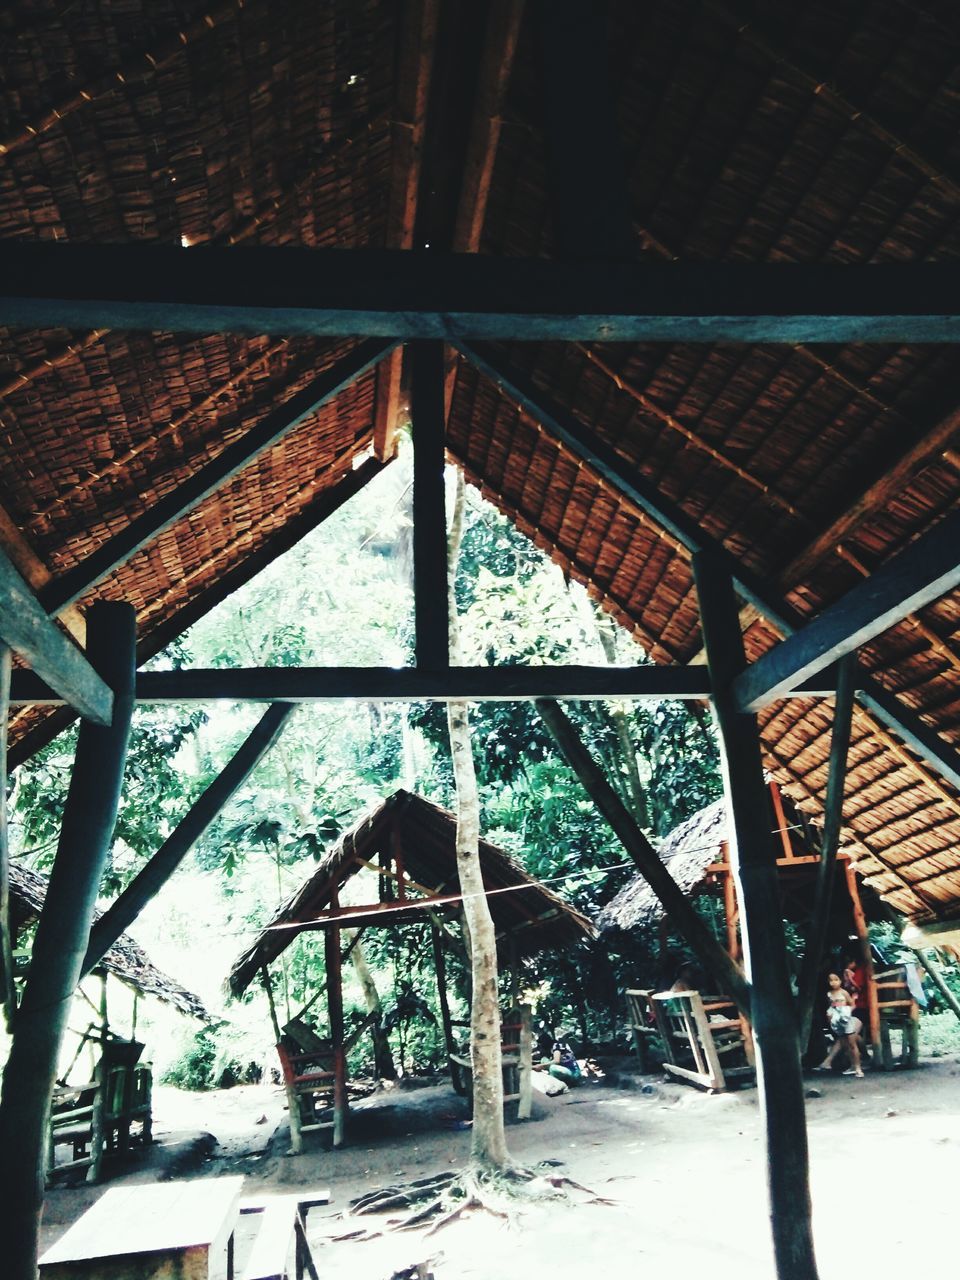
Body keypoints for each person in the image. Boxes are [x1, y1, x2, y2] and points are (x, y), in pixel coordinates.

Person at [815, 973, 864, 1077]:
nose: (833, 983)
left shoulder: (844, 993)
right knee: (845, 1044)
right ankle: (853, 1065)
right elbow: (830, 1007)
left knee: (852, 1044)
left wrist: (845, 1011)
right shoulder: (829, 994)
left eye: (835, 980)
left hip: (846, 1020)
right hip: (836, 1021)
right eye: (831, 980)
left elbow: (852, 1004)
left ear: (840, 981)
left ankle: (858, 1068)